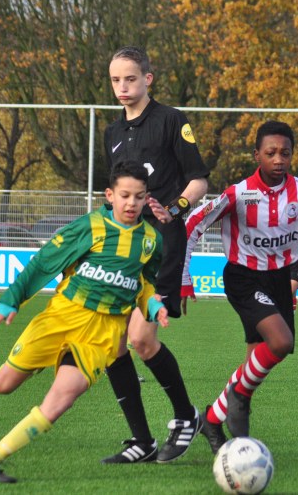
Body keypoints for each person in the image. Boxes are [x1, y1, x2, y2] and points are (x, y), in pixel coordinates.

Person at [0, 161, 169, 484]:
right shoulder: (89, 227)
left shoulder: (151, 241)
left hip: (102, 334)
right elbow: (44, 261)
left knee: (62, 398)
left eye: (140, 197)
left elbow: (144, 284)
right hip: (62, 317)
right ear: (110, 195)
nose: (132, 203)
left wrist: (153, 305)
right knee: (2, 385)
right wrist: (11, 299)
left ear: (147, 198)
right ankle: (48, 357)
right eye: (125, 195)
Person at [181, 120, 298, 454]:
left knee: (258, 363)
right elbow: (192, 224)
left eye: (285, 153)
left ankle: (212, 415)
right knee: (281, 342)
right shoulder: (238, 194)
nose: (279, 159)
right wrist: (183, 278)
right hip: (244, 277)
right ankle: (234, 401)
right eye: (271, 153)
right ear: (257, 155)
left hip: (279, 279)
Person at [101, 46, 209, 464]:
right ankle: (140, 440)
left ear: (148, 78)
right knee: (114, 344)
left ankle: (186, 417)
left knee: (142, 339)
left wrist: (176, 208)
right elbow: (113, 195)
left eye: (130, 78)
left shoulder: (171, 120)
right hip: (121, 249)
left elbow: (199, 178)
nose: (122, 87)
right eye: (115, 80)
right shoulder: (112, 133)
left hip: (161, 244)